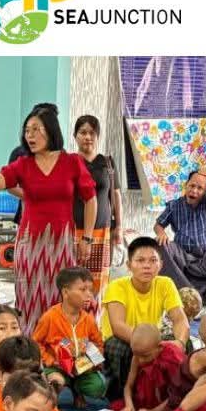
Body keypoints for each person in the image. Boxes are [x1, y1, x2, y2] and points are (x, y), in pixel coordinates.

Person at [0, 104, 96, 334]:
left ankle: (61, 346)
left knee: (62, 297)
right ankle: (30, 345)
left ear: (51, 130)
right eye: (27, 131)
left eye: (36, 129)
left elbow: (91, 199)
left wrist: (87, 238)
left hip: (62, 245)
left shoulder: (71, 162)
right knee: (30, 301)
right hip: (30, 245)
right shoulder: (23, 164)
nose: (30, 135)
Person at [102, 236, 189, 395]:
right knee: (121, 348)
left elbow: (179, 319)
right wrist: (149, 344)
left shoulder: (165, 283)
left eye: (152, 260)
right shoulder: (116, 286)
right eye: (140, 260)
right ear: (129, 265)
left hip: (153, 339)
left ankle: (170, 394)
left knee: (186, 343)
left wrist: (180, 343)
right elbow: (118, 327)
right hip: (123, 340)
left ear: (160, 265)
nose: (147, 266)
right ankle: (122, 393)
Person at [33, 266, 107, 405]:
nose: (89, 295)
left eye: (90, 290)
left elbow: (98, 345)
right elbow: (35, 343)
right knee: (56, 382)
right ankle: (51, 404)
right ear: (65, 292)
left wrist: (88, 363)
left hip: (82, 369)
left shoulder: (89, 320)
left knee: (99, 386)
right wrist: (50, 361)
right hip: (55, 367)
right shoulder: (50, 317)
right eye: (83, 290)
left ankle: (76, 389)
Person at [154, 167, 206, 299]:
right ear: (186, 185)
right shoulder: (174, 205)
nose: (194, 190)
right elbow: (158, 225)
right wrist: (161, 233)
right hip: (182, 255)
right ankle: (187, 295)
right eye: (192, 185)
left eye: (200, 188)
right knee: (160, 246)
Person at [74, 115, 123, 314]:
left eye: (92, 133)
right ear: (75, 136)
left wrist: (119, 226)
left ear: (98, 136)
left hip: (102, 232)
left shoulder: (108, 163)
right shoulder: (70, 162)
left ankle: (94, 322)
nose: (87, 137)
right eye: (83, 132)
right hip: (74, 232)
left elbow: (116, 195)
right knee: (74, 280)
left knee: (99, 283)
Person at [111, 324, 185, 411]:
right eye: (136, 354)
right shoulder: (138, 356)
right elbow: (128, 386)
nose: (141, 360)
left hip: (169, 403)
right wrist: (129, 405)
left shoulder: (172, 358)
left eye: (145, 356)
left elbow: (177, 393)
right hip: (144, 402)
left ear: (159, 347)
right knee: (119, 410)